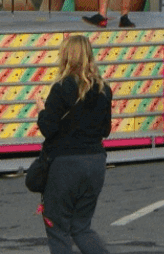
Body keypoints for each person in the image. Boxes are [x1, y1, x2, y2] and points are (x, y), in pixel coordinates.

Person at [35, 34, 115, 253]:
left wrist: (41, 111)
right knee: (81, 227)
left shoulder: (61, 88)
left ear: (66, 56)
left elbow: (48, 129)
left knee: (58, 229)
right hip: (96, 163)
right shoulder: (104, 89)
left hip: (66, 165)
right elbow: (105, 131)